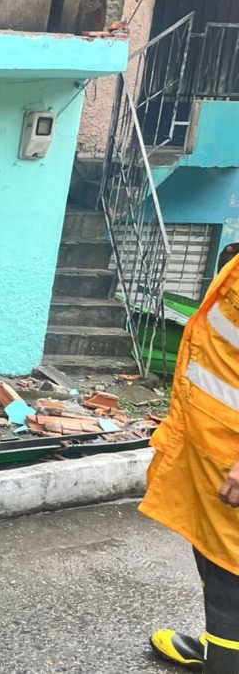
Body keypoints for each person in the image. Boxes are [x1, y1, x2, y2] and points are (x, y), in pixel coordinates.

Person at [145, 241, 239, 671]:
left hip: (230, 457)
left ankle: (224, 654)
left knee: (229, 572)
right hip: (210, 444)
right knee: (213, 554)